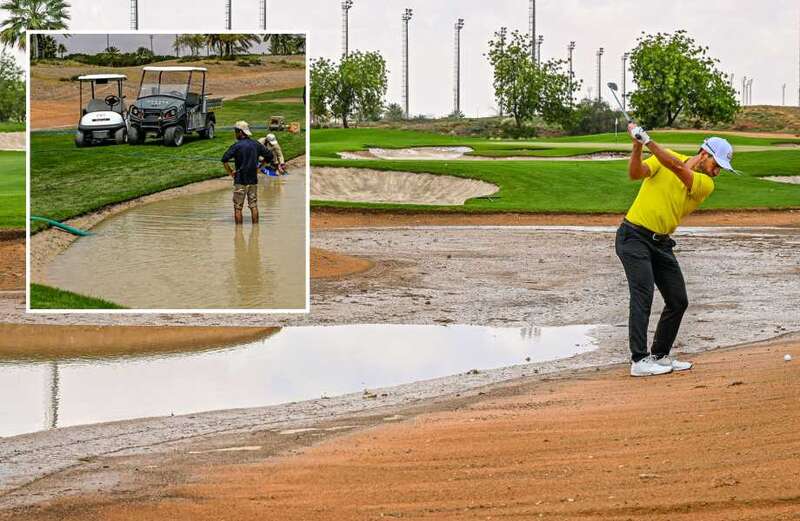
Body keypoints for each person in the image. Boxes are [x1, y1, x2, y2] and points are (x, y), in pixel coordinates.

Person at [617, 123, 739, 377]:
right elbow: (635, 173)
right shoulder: (665, 158)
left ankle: (660, 355)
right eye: (716, 164)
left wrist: (648, 140)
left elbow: (678, 168)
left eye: (721, 168)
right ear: (704, 154)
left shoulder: (705, 183)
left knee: (678, 300)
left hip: (661, 243)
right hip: (633, 236)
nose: (717, 172)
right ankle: (639, 360)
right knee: (643, 295)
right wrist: (637, 146)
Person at [221, 121, 273, 224]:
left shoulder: (237, 146)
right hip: (253, 180)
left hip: (240, 180)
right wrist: (259, 168)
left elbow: (224, 159)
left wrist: (231, 172)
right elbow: (269, 157)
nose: (235, 134)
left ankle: (238, 233)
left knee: (238, 207)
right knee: (253, 206)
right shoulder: (256, 144)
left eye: (236, 131)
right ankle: (255, 231)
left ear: (240, 132)